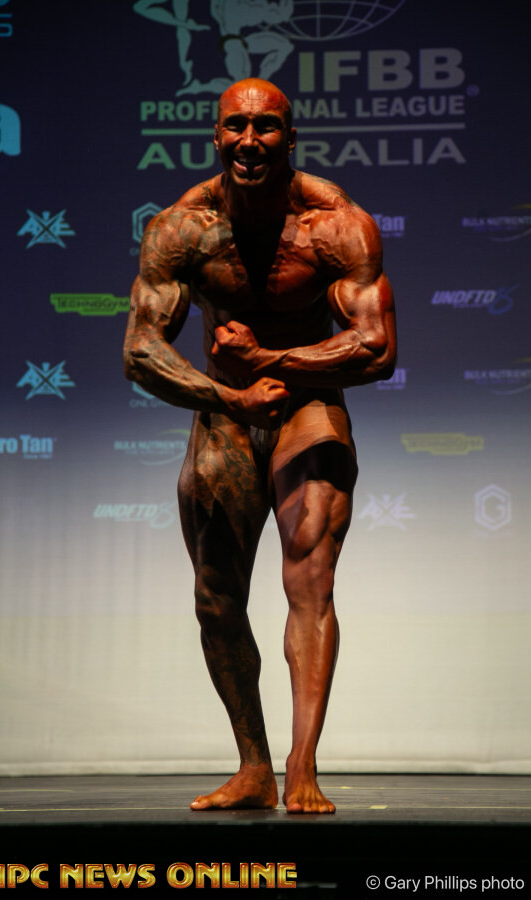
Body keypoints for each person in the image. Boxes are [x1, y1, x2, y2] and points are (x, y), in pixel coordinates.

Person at [123, 78, 396, 813]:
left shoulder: (335, 224)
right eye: (236, 127)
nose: (250, 140)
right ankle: (254, 767)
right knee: (216, 598)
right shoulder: (182, 228)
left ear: (290, 137)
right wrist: (232, 397)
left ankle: (303, 765)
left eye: (267, 126)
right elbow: (141, 351)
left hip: (308, 405)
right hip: (226, 409)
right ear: (216, 136)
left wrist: (270, 361)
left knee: (311, 578)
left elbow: (376, 348)